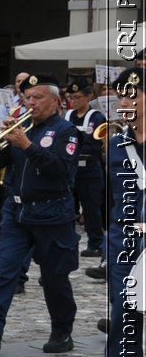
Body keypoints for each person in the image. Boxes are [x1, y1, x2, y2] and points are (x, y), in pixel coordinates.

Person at [0, 75, 80, 356]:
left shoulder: (66, 131)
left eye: (38, 98)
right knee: (6, 269)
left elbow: (61, 169)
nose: (31, 103)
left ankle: (62, 331)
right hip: (17, 211)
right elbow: (0, 163)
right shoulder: (20, 128)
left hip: (52, 213)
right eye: (27, 98)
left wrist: (27, 145)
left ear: (55, 101)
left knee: (54, 278)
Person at [93, 68, 144, 357]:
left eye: (132, 96)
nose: (124, 103)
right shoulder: (115, 145)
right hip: (124, 244)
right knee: (123, 322)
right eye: (121, 97)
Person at [65, 79, 106, 258]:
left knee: (90, 208)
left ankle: (95, 243)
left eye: (78, 97)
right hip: (70, 168)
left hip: (89, 168)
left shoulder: (96, 117)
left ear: (89, 96)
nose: (74, 101)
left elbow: (94, 144)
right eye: (72, 97)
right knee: (67, 207)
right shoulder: (67, 115)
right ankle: (67, 241)